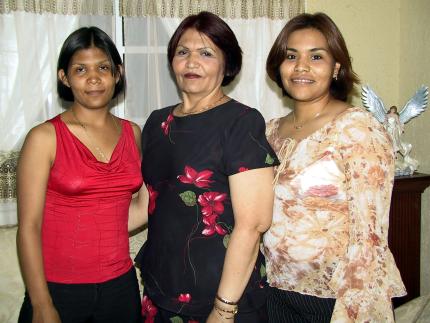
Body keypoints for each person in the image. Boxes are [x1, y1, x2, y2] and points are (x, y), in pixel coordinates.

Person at [131, 11, 278, 323]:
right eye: (183, 52)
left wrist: (223, 311)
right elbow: (147, 203)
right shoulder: (158, 123)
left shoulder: (241, 122)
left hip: (223, 297)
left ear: (227, 65)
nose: (191, 62)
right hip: (161, 290)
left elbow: (253, 225)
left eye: (206, 53)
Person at [262, 12, 406, 322]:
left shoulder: (358, 129)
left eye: (316, 56)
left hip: (332, 299)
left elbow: (370, 236)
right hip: (271, 290)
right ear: (279, 65)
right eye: (291, 56)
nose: (301, 66)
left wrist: (353, 308)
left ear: (336, 67)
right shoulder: (268, 131)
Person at [17, 26, 147, 323]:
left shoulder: (133, 133)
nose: (93, 78)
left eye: (103, 67)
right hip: (58, 290)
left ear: (117, 72)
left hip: (121, 287)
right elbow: (29, 227)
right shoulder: (45, 137)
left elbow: (133, 211)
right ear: (64, 77)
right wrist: (41, 304)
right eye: (80, 69)